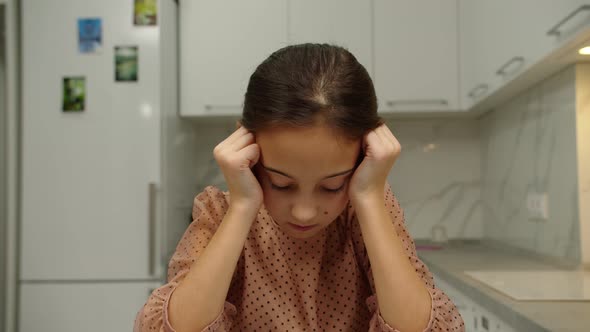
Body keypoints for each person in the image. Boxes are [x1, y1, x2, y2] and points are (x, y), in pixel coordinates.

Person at [134, 43, 464, 332]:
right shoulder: (219, 212)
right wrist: (242, 206)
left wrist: (368, 196)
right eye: (281, 183)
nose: (304, 212)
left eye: (332, 186)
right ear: (247, 145)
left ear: (365, 154)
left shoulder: (367, 212)